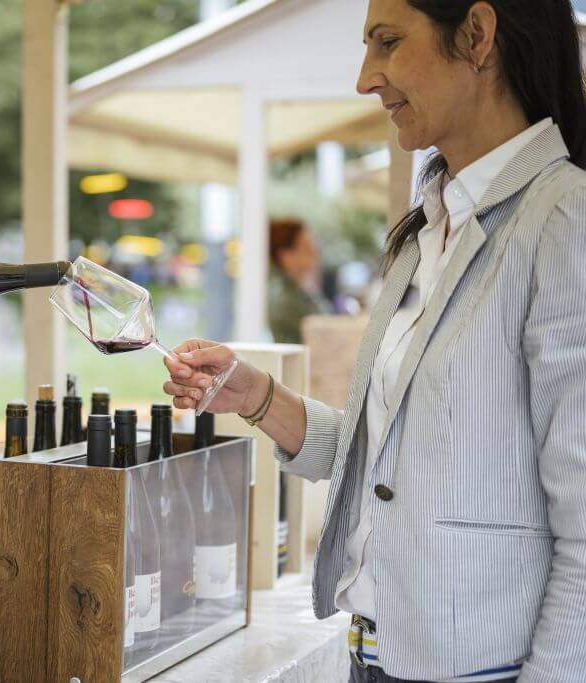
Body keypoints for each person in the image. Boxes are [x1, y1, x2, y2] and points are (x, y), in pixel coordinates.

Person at [164, 1, 586, 681]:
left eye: (387, 43)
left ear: (477, 36)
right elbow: (391, 464)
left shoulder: (565, 220)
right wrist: (259, 396)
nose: (366, 78)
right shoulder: (427, 231)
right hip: (375, 658)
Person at [267, 217, 330, 344]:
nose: (315, 253)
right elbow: (325, 331)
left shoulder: (293, 290)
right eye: (307, 248)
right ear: (285, 255)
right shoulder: (285, 298)